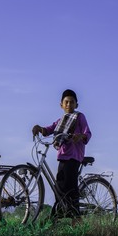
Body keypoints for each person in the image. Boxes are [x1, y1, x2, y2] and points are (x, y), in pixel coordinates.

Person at [32, 89, 91, 225]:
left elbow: (87, 133)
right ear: (61, 105)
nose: (69, 104)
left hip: (74, 156)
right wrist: (39, 128)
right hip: (63, 157)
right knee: (59, 187)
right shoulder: (61, 120)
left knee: (70, 186)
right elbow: (49, 129)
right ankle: (56, 216)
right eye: (66, 102)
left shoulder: (79, 117)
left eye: (72, 102)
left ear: (76, 104)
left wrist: (80, 136)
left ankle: (76, 218)